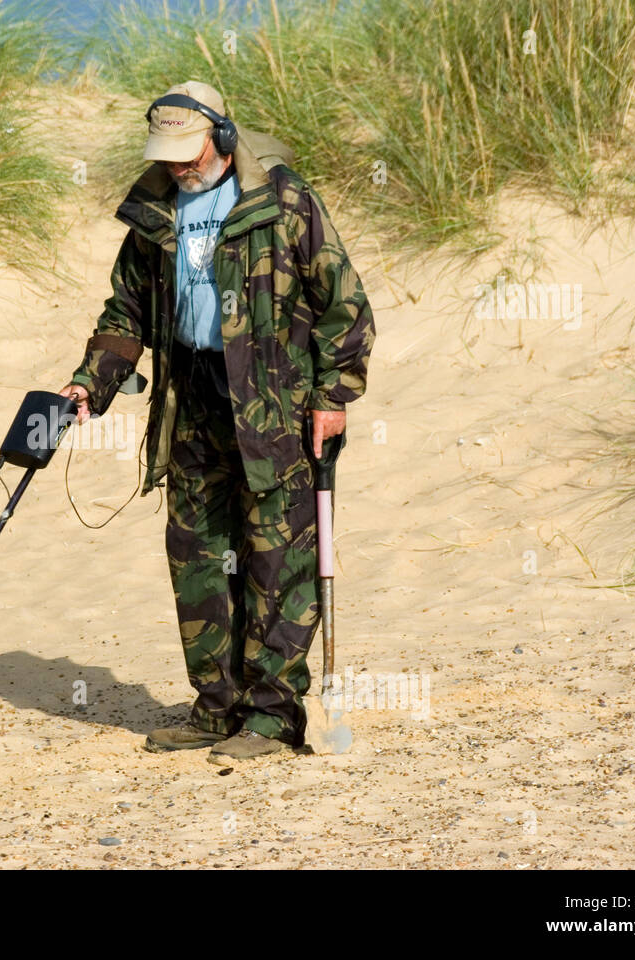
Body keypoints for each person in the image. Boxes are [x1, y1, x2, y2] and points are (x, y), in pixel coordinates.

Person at [58, 81, 375, 764]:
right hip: (192, 402)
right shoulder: (155, 211)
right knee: (198, 556)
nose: (177, 165)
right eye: (165, 153)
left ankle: (271, 714)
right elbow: (127, 312)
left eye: (186, 150)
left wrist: (332, 395)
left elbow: (343, 303)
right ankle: (216, 705)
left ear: (223, 138)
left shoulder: (283, 201)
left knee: (276, 559)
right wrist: (92, 380)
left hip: (274, 408)